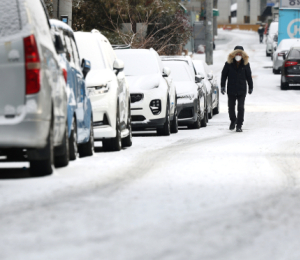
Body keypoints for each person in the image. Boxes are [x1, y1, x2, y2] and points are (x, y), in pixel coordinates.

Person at [221, 46, 253, 132]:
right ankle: (233, 120)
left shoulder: (246, 64)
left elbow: (249, 76)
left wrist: (250, 87)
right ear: (234, 54)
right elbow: (224, 75)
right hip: (231, 89)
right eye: (237, 54)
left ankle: (239, 125)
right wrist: (222, 86)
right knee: (231, 107)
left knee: (241, 107)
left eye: (240, 54)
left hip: (241, 89)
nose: (238, 55)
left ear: (243, 55)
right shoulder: (228, 64)